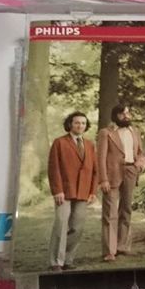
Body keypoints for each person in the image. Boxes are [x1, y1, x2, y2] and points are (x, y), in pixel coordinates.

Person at [47, 111, 98, 271]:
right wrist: (57, 190)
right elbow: (53, 168)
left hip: (83, 191)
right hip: (64, 191)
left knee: (78, 227)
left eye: (83, 123)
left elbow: (95, 170)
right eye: (77, 123)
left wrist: (93, 191)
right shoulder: (59, 143)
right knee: (61, 225)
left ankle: (68, 259)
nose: (80, 126)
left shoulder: (89, 145)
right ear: (70, 124)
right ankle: (56, 262)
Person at [96, 105, 145, 262]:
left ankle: (122, 246)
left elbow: (140, 153)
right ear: (115, 116)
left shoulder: (135, 131)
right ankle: (109, 251)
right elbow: (100, 158)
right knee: (110, 213)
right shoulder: (106, 133)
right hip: (112, 174)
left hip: (131, 172)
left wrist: (139, 164)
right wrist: (103, 179)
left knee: (126, 210)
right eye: (122, 113)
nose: (126, 116)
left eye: (128, 113)